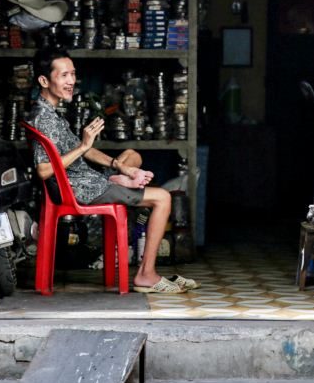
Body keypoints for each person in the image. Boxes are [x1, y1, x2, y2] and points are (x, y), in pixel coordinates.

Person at [29, 47, 197, 294]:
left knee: (132, 156)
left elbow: (81, 150)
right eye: (64, 76)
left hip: (86, 179)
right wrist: (85, 145)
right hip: (81, 189)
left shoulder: (51, 113)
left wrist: (120, 166)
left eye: (73, 74)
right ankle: (146, 275)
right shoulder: (43, 118)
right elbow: (44, 171)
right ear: (44, 80)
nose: (71, 81)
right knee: (163, 198)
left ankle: (122, 177)